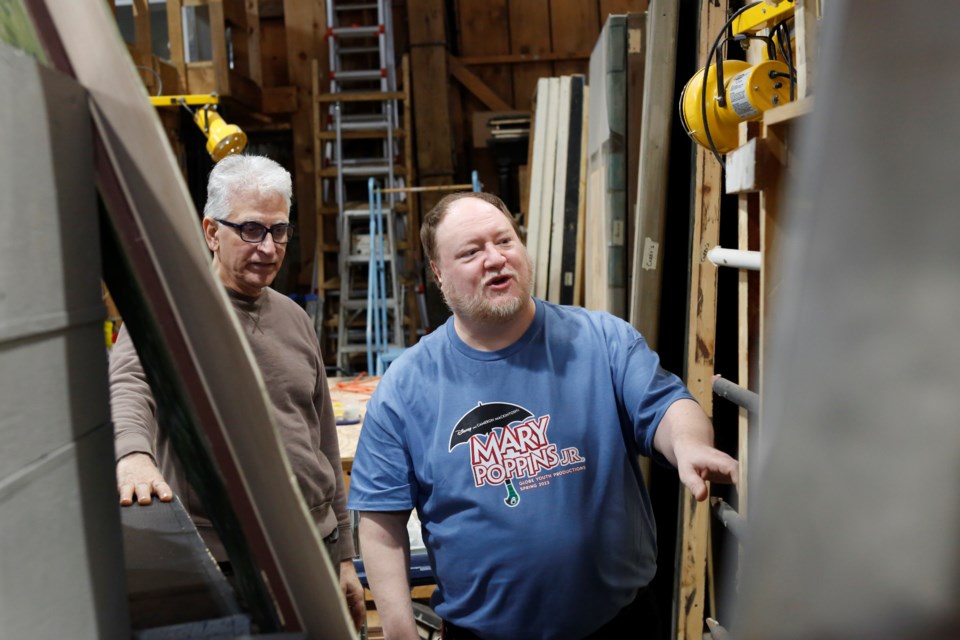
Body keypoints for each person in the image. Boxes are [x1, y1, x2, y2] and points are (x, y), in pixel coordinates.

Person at [346, 191, 739, 640]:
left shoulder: (601, 340)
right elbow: (381, 519)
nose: (495, 259)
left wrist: (690, 443)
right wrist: (398, 627)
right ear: (438, 273)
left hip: (619, 625)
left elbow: (667, 406)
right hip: (482, 633)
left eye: (504, 241)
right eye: (471, 252)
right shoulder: (406, 385)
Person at [109, 154, 365, 631]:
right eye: (251, 230)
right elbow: (127, 383)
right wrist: (133, 456)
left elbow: (323, 440)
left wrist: (346, 556)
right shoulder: (167, 309)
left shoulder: (294, 317)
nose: (268, 247)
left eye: (279, 231)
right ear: (211, 232)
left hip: (317, 548)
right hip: (227, 562)